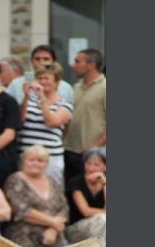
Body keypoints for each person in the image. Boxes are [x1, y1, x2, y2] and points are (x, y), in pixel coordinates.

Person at [18, 63, 73, 188]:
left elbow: (51, 122)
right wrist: (26, 96)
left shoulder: (64, 104)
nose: (43, 81)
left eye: (46, 78)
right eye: (40, 78)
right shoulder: (29, 100)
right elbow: (19, 121)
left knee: (50, 193)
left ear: (56, 81)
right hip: (26, 155)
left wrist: (42, 99)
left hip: (50, 158)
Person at [64, 48, 106, 183]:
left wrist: (93, 147)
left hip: (92, 157)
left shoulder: (105, 87)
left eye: (77, 61)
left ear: (91, 65)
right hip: (69, 151)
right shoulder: (76, 87)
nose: (73, 65)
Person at [65, 148, 106, 247]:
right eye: (89, 164)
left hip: (99, 232)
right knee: (102, 219)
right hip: (75, 232)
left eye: (96, 164)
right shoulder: (76, 182)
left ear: (104, 167)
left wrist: (105, 184)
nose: (92, 168)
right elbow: (86, 211)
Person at [7, 45, 73, 105]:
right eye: (37, 59)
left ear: (53, 62)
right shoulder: (16, 84)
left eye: (46, 59)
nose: (41, 62)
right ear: (32, 62)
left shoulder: (65, 87)